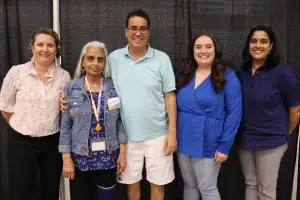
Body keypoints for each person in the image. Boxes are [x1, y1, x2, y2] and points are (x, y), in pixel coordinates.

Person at [108, 9, 177, 200]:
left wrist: (172, 133)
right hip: (126, 136)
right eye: (133, 28)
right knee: (131, 184)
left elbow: (170, 96)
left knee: (158, 184)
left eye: (142, 29)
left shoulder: (162, 59)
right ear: (125, 31)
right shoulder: (113, 59)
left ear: (149, 31)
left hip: (159, 135)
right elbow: (96, 83)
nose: (138, 33)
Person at [0, 28, 70, 200]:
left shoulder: (64, 76)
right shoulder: (17, 72)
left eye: (50, 45)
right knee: (21, 191)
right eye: (40, 44)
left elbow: (66, 107)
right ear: (32, 47)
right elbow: (5, 106)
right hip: (21, 142)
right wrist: (24, 126)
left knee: (50, 189)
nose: (44, 49)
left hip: (52, 142)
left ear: (57, 49)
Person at [237, 24, 300, 200]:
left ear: (271, 46)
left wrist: (284, 133)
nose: (258, 45)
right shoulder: (241, 73)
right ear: (248, 45)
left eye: (263, 41)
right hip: (245, 140)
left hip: (271, 141)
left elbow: (295, 108)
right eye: (254, 41)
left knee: (266, 190)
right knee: (250, 183)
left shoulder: (282, 72)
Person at [176, 33, 242, 200]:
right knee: (189, 184)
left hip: (209, 141)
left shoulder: (227, 76)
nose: (203, 51)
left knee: (207, 188)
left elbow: (235, 112)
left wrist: (224, 145)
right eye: (198, 47)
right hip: (183, 138)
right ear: (192, 51)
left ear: (215, 50)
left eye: (208, 46)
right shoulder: (184, 74)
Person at [58, 41, 127, 200]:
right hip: (80, 157)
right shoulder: (71, 88)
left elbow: (119, 122)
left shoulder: (113, 87)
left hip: (108, 157)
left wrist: (122, 154)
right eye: (90, 58)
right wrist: (66, 159)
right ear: (83, 62)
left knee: (106, 197)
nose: (95, 63)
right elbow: (66, 126)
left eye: (100, 59)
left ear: (104, 64)